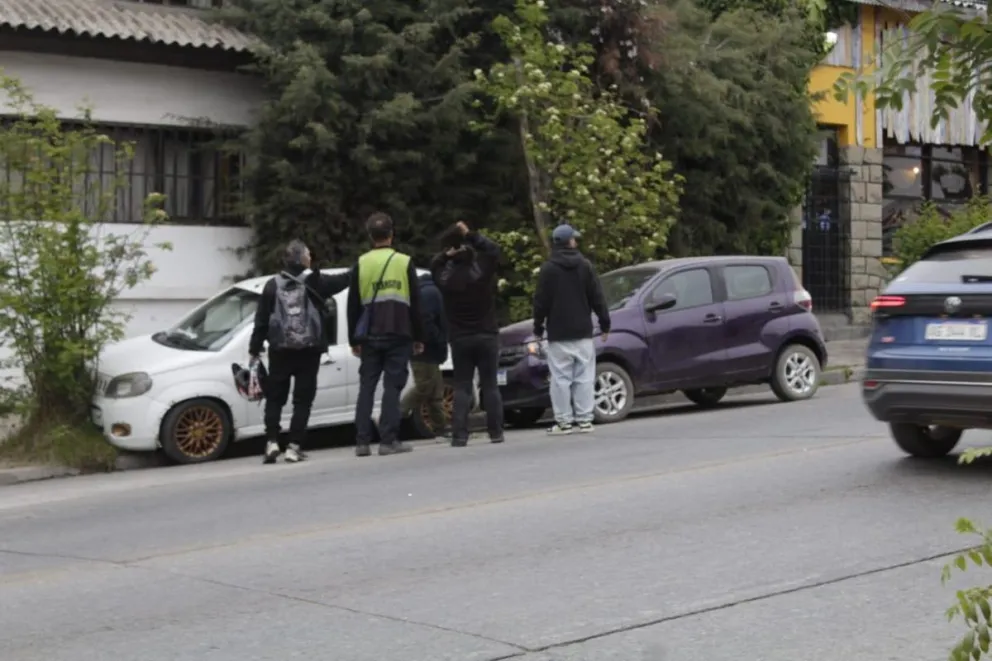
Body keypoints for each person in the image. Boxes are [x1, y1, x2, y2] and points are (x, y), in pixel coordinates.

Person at [249, 239, 350, 464]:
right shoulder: (315, 281)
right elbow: (344, 280)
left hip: (280, 351)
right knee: (302, 400)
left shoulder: (272, 285)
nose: (311, 258)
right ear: (303, 259)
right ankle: (294, 447)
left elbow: (261, 321)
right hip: (309, 351)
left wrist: (254, 349)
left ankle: (272, 442)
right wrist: (361, 266)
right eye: (309, 255)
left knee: (275, 398)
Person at [347, 212, 425, 457]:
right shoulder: (404, 262)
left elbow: (352, 305)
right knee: (392, 388)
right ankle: (388, 441)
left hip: (369, 336)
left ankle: (362, 442)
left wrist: (353, 339)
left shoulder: (361, 263)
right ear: (392, 234)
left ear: (371, 236)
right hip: (399, 333)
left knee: (366, 388)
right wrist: (419, 336)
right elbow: (416, 303)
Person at [533, 224, 611, 435]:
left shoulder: (548, 269)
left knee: (560, 379)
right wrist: (605, 323)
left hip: (558, 333)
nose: (576, 241)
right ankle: (585, 419)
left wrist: (538, 328)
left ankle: (564, 422)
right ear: (570, 242)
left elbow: (541, 301)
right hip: (582, 331)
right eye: (574, 239)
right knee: (584, 377)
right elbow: (597, 297)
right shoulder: (585, 266)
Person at [430, 221, 503, 447]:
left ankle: (460, 435)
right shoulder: (481, 270)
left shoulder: (446, 279)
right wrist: (470, 234)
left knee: (462, 386)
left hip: (460, 337)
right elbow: (493, 250)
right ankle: (496, 431)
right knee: (490, 385)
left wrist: (446, 254)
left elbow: (434, 265)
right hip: (487, 334)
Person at [400, 271, 449, 437]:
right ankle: (396, 413)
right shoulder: (431, 293)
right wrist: (437, 339)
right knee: (424, 387)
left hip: (424, 348)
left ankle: (440, 427)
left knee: (434, 391)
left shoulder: (422, 291)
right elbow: (427, 320)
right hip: (426, 349)